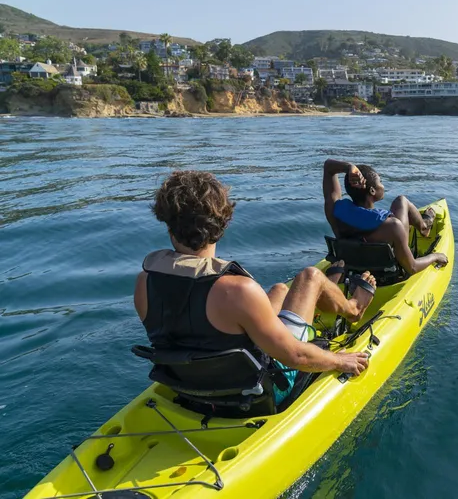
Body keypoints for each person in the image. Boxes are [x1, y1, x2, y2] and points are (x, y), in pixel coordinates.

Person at [134, 170, 374, 406]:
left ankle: (321, 302)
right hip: (259, 390)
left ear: (168, 225)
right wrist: (340, 361)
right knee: (310, 277)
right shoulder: (238, 291)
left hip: (190, 388)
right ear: (222, 223)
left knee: (280, 290)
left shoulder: (144, 283)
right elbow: (295, 356)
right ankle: (354, 308)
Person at [323, 159, 448, 275]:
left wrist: (349, 167)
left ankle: (423, 225)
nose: (382, 185)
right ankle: (424, 227)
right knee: (401, 201)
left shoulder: (335, 211)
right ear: (372, 191)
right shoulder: (392, 225)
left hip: (354, 266)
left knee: (400, 203)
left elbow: (328, 166)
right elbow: (412, 267)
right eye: (380, 182)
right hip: (385, 273)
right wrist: (435, 256)